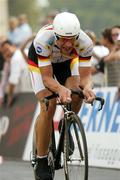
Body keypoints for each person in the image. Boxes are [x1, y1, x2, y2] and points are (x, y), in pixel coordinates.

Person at [28, 12, 96, 180]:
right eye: (63, 39)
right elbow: (47, 78)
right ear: (56, 35)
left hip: (66, 62)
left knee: (77, 94)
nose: (67, 43)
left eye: (71, 39)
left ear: (77, 35)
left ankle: (66, 128)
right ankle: (42, 159)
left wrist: (87, 88)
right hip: (42, 65)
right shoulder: (43, 40)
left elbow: (86, 77)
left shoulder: (85, 43)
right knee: (48, 105)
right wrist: (59, 89)